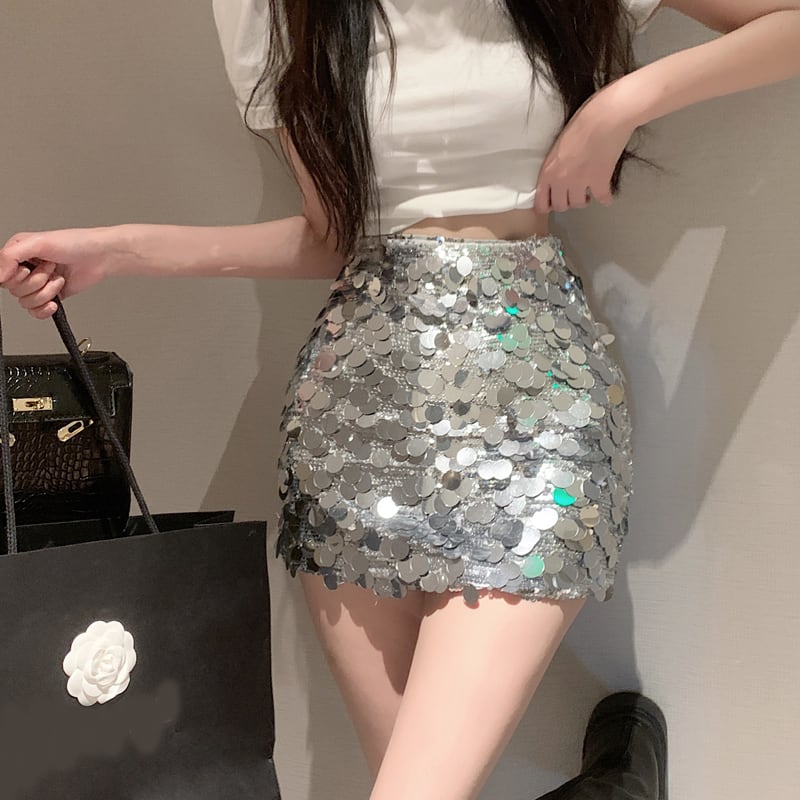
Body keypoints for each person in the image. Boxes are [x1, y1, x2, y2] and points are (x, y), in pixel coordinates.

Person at [1, 2, 798, 798]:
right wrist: (117, 251)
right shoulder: (272, 9)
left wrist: (621, 103)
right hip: (351, 420)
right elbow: (330, 238)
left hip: (534, 405)